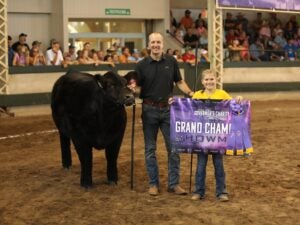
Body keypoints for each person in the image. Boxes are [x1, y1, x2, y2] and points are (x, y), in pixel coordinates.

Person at [134, 32, 194, 196]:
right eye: (153, 42)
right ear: (148, 45)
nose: (155, 45)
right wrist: (132, 90)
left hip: (169, 110)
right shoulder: (140, 66)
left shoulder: (172, 61)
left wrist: (190, 93)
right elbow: (137, 87)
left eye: (158, 42)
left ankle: (173, 184)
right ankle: (153, 184)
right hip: (149, 111)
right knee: (150, 150)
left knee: (174, 149)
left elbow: (179, 82)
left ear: (162, 44)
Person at [191, 69, 242, 202]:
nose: (209, 82)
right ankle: (198, 191)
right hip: (201, 136)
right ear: (202, 82)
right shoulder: (197, 95)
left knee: (218, 165)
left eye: (211, 79)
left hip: (218, 136)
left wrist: (238, 100)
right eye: (206, 79)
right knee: (200, 165)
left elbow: (233, 106)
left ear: (216, 80)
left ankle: (221, 192)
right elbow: (188, 111)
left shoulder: (222, 94)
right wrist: (175, 103)